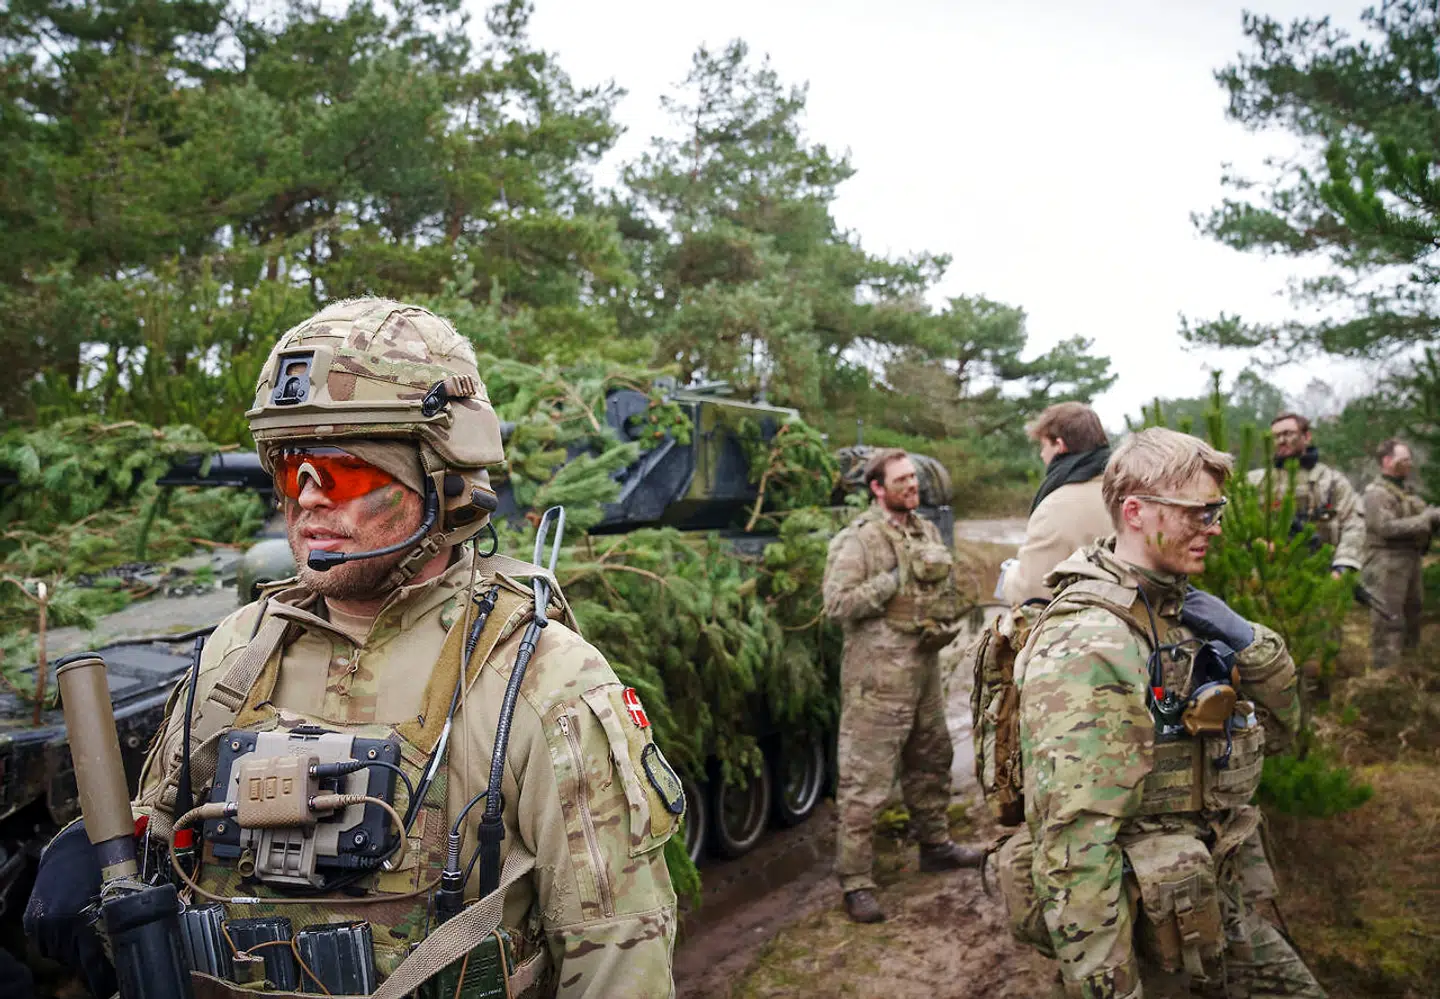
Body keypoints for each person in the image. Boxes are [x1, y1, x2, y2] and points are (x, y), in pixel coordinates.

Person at [26, 299, 679, 997]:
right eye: (290, 469)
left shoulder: (546, 681)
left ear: (443, 477)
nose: (307, 500)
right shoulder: (238, 653)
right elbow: (162, 854)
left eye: (342, 470)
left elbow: (617, 962)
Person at [1002, 427, 1324, 998]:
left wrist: (1247, 637)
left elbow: (1285, 719)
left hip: (1209, 902)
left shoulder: (1172, 603)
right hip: (1146, 930)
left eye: (1215, 511)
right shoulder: (1091, 641)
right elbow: (1075, 846)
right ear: (1135, 512)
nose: (1215, 527)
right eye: (1198, 514)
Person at [822, 447, 984, 924]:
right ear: (877, 488)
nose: (913, 485)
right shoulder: (860, 541)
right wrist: (891, 583)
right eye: (902, 480)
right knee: (865, 780)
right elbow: (837, 604)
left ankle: (934, 846)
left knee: (932, 759)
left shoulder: (926, 530)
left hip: (924, 665)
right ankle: (856, 882)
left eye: (914, 478)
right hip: (877, 676)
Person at [1001, 402, 1114, 606]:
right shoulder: (1127, 494)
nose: (1042, 454)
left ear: (1059, 446)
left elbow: (1032, 593)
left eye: (1043, 446)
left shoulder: (1054, 507)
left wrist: (1009, 576)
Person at [1247, 411, 1364, 576]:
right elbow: (1235, 523)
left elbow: (1353, 524)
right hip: (1266, 576)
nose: (1281, 441)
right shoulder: (1255, 482)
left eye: (1288, 434)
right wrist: (1256, 545)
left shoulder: (1331, 481)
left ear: (1307, 437)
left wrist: (1343, 566)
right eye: (1276, 436)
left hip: (1321, 573)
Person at [1362, 438, 1439, 670]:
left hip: (1410, 560)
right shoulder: (1376, 494)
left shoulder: (1406, 492)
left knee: (1412, 614)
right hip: (1386, 563)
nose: (1409, 464)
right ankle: (1384, 675)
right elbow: (1385, 528)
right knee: (1389, 620)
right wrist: (1426, 519)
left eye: (1409, 459)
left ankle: (1408, 671)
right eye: (1403, 459)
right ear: (1387, 461)